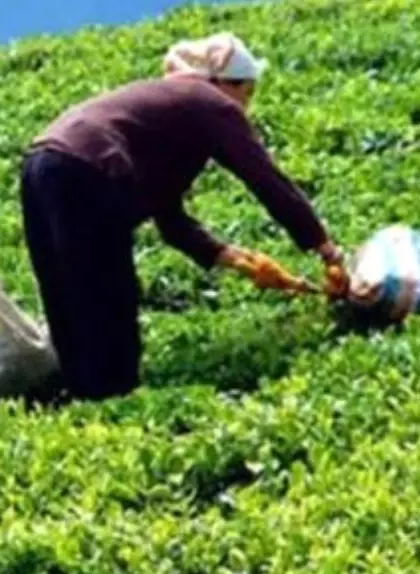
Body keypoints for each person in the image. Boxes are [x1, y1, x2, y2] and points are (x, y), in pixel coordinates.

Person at [19, 32, 350, 403]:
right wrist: (325, 248)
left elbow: (170, 219)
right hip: (90, 170)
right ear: (226, 84)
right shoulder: (210, 103)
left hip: (39, 164)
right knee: (111, 292)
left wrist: (240, 261)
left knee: (65, 287)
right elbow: (267, 180)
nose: (246, 107)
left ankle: (82, 392)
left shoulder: (169, 109)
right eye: (247, 93)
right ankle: (113, 399)